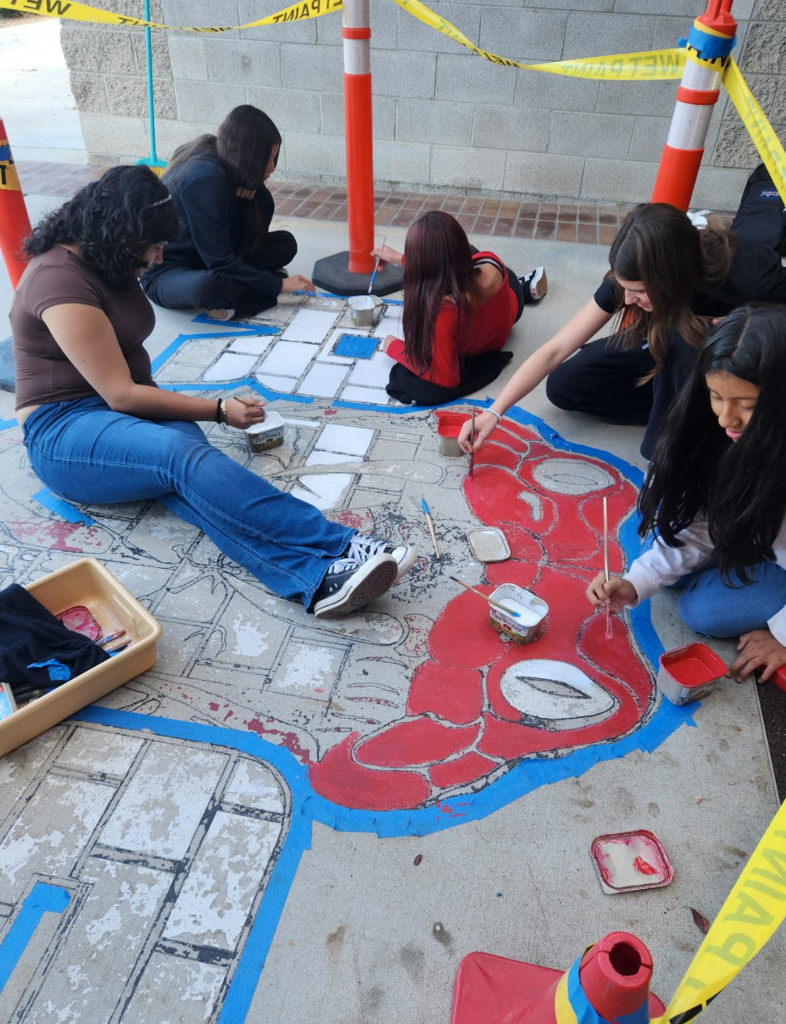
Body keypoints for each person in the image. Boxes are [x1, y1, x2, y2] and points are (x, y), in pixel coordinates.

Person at [11, 165, 415, 619]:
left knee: (199, 479)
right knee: (181, 459)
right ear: (122, 235)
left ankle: (313, 579)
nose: (160, 257)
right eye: (155, 245)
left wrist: (197, 413)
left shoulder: (109, 258)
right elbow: (121, 394)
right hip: (63, 430)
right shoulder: (58, 280)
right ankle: (342, 543)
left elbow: (130, 384)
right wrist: (219, 409)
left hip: (119, 407)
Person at [459, 202, 786, 460]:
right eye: (625, 287)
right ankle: (676, 405)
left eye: (640, 292)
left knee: (686, 343)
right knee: (566, 386)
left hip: (724, 367)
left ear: (671, 278)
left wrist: (742, 329)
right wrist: (495, 412)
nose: (628, 299)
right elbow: (555, 350)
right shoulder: (632, 278)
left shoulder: (753, 277)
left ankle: (678, 435)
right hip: (667, 350)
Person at [586, 306, 786, 683]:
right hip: (754, 529)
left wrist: (781, 635)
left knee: (703, 610)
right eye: (715, 397)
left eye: (747, 406)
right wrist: (636, 583)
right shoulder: (708, 432)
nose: (726, 418)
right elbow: (697, 524)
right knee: (666, 549)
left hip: (776, 550)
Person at [141, 105, 314, 319]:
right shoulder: (206, 179)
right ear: (250, 156)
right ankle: (242, 294)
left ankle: (242, 287)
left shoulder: (229, 163)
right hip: (170, 272)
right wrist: (279, 284)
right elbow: (220, 261)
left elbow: (254, 228)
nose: (272, 167)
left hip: (210, 258)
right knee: (209, 285)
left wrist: (253, 187)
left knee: (285, 244)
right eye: (268, 158)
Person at [371, 211, 547, 406]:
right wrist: (398, 258)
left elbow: (446, 379)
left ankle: (524, 286)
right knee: (466, 252)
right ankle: (524, 285)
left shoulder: (443, 311)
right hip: (510, 301)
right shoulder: (490, 260)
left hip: (488, 335)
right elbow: (444, 265)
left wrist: (394, 347)